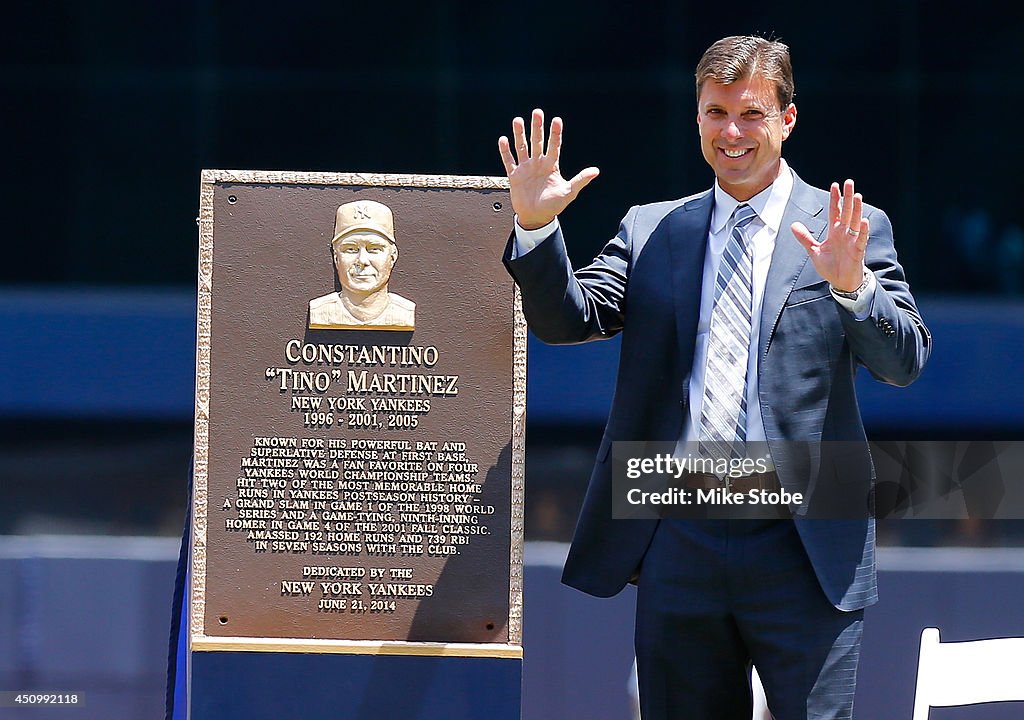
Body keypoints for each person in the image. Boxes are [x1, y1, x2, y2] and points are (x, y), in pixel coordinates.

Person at [498, 35, 931, 720]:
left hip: (808, 538)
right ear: (697, 116)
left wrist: (853, 288)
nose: (732, 132)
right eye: (716, 112)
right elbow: (568, 319)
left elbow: (903, 362)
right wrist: (534, 227)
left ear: (788, 119)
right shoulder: (652, 228)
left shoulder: (850, 226)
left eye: (752, 114)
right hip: (679, 532)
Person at [309, 199, 415, 330]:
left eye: (374, 249)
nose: (362, 260)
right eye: (351, 249)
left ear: (392, 257)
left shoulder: (405, 312)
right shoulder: (320, 311)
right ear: (336, 258)